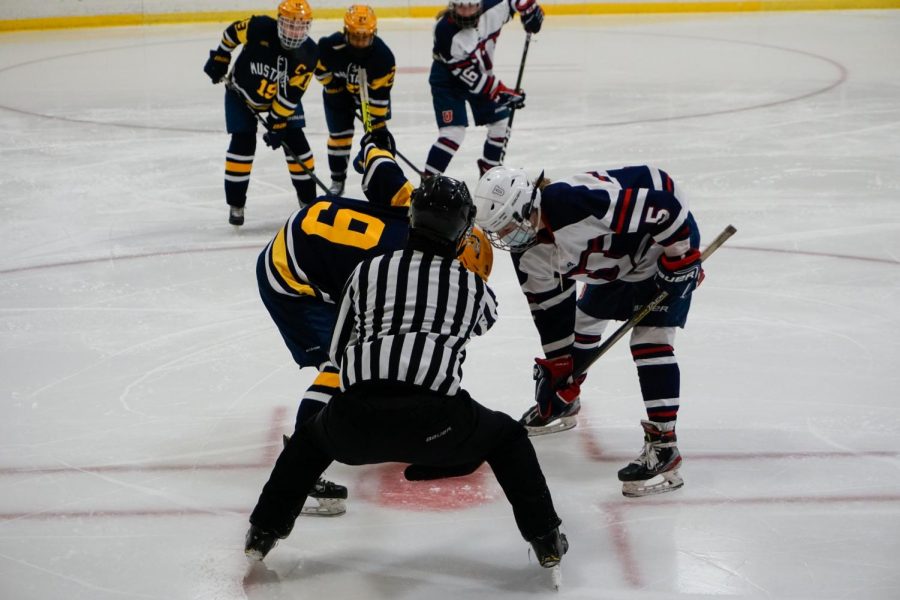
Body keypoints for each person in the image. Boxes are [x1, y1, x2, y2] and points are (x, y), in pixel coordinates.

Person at [244, 168, 567, 573]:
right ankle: (546, 539)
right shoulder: (473, 288)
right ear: (463, 230)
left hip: (353, 426)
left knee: (307, 444)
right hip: (438, 428)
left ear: (411, 217)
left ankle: (263, 531)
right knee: (508, 439)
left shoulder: (366, 272)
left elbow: (342, 349)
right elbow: (483, 320)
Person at [255, 133, 493, 515]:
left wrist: (373, 144)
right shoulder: (406, 271)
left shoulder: (417, 206)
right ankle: (300, 467)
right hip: (293, 278)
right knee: (343, 360)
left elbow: (381, 171)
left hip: (306, 247)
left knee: (360, 347)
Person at [472, 165, 703, 498]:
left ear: (528, 207)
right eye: (499, 231)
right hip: (615, 260)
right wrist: (561, 373)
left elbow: (666, 209)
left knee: (649, 340)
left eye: (508, 226)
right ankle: (569, 405)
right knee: (583, 325)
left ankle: (664, 446)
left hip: (658, 241)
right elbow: (551, 314)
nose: (506, 237)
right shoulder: (528, 250)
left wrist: (680, 258)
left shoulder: (571, 204)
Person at [203, 0, 319, 226]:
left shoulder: (309, 54)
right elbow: (231, 34)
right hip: (241, 93)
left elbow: (290, 96)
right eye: (289, 25)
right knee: (242, 144)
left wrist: (277, 124)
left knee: (297, 144)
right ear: (279, 21)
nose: (294, 32)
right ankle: (236, 203)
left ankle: (308, 201)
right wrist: (221, 57)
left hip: (279, 100)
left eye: (300, 26)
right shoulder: (259, 27)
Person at [424, 0, 544, 179]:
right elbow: (472, 79)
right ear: (453, 6)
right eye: (461, 7)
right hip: (448, 81)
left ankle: (490, 178)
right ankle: (428, 182)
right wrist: (502, 93)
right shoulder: (445, 31)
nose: (466, 12)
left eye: (470, 6)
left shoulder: (493, 8)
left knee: (501, 126)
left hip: (481, 74)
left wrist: (528, 9)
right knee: (453, 133)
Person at [315, 5, 396, 196]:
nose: (360, 42)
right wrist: (333, 87)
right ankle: (337, 180)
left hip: (369, 97)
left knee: (377, 133)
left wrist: (375, 126)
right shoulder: (330, 46)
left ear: (373, 33)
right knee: (339, 136)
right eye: (355, 37)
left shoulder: (383, 58)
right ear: (346, 32)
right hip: (338, 92)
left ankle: (372, 169)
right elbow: (317, 66)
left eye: (365, 37)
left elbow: (380, 98)